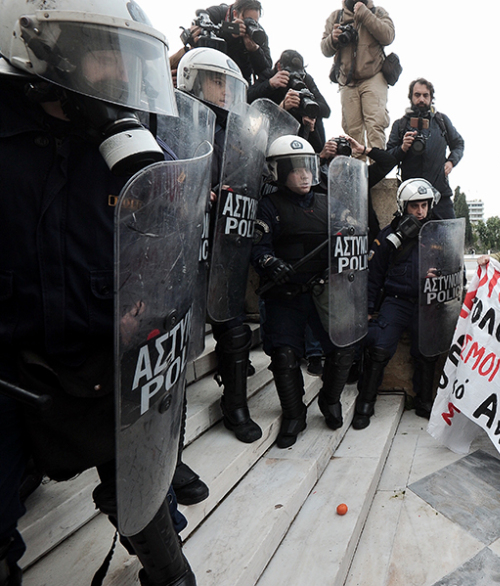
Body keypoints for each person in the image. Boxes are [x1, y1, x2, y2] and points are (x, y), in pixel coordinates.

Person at [0, 0, 197, 583]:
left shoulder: (131, 139)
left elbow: (170, 233)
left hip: (109, 352)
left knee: (145, 503)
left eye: (127, 56)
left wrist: (124, 145)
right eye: (105, 54)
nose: (121, 71)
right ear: (47, 50)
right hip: (10, 358)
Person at [177, 47, 262, 452]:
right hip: (181, 249)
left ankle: (236, 405)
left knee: (234, 326)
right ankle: (167, 426)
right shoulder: (175, 121)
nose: (225, 90)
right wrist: (194, 190)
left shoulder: (235, 134)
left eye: (229, 84)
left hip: (223, 244)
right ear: (193, 80)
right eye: (216, 81)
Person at [252, 137, 358, 448]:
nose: (305, 175)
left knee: (343, 347)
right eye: (296, 169)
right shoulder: (268, 206)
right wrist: (271, 264)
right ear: (279, 172)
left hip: (325, 292)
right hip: (285, 294)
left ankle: (330, 399)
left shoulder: (330, 203)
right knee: (284, 355)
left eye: (308, 168)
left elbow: (353, 240)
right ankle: (294, 413)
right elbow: (257, 248)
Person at [352, 179, 443, 429]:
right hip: (396, 301)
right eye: (415, 206)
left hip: (427, 303)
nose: (420, 211)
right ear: (404, 206)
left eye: (424, 205)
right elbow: (373, 275)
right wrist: (368, 309)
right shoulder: (388, 236)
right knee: (379, 349)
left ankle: (424, 401)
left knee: (427, 353)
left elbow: (454, 271)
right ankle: (365, 402)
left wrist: (440, 275)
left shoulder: (439, 234)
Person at [321, 0, 394, 150]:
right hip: (347, 81)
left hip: (373, 75)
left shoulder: (377, 12)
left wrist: (365, 14)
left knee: (375, 126)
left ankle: (377, 164)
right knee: (352, 130)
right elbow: (325, 50)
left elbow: (388, 36)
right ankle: (356, 164)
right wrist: (332, 39)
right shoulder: (336, 16)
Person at [387, 78, 465, 219]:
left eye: (425, 95)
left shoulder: (442, 121)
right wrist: (403, 148)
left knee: (448, 233)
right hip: (412, 200)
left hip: (440, 195)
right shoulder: (400, 125)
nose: (421, 99)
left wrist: (451, 161)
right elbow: (388, 158)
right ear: (411, 97)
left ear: (431, 98)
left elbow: (458, 144)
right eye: (417, 95)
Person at [248, 50, 332, 152]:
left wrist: (303, 104)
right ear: (279, 67)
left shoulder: (306, 79)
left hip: (300, 130)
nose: (295, 77)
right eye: (291, 73)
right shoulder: (269, 75)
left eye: (299, 74)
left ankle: (318, 154)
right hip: (272, 130)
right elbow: (248, 98)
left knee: (313, 113)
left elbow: (326, 110)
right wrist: (270, 85)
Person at [184, 0, 272, 87]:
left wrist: (254, 51)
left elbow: (266, 71)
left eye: (254, 22)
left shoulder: (258, 33)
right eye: (247, 20)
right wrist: (229, 33)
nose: (250, 25)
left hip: (238, 81)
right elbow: (197, 39)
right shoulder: (217, 14)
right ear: (235, 14)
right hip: (209, 71)